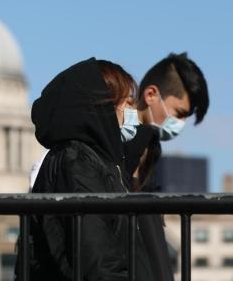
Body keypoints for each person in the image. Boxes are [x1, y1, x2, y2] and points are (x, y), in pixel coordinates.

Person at [16, 57, 154, 281]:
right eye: (128, 102)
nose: (133, 111)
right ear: (103, 105)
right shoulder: (76, 162)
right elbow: (95, 257)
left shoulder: (99, 162)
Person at [123, 52, 210, 281]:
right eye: (178, 113)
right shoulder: (113, 143)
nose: (179, 125)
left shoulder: (151, 151)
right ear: (151, 94)